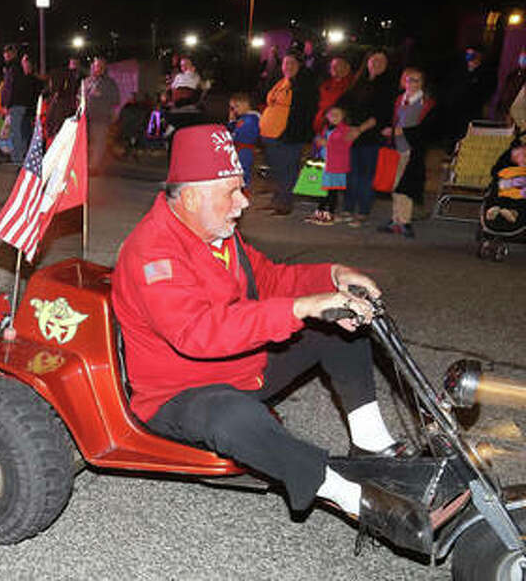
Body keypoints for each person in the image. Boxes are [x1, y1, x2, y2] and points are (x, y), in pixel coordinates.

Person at [111, 124, 428, 554]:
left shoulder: (216, 235)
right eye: (232, 191)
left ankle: (371, 443)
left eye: (242, 188)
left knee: (340, 323)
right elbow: (198, 333)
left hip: (241, 368)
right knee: (237, 420)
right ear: (190, 197)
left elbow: (272, 279)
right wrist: (298, 309)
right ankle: (357, 501)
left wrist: (332, 277)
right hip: (178, 393)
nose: (243, 203)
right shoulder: (152, 254)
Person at [338, 50, 398, 227]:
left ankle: (363, 211)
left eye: (382, 61)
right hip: (352, 135)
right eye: (374, 60)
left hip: (371, 136)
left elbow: (381, 115)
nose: (377, 64)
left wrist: (359, 129)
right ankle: (348, 208)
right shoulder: (358, 82)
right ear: (368, 62)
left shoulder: (386, 86)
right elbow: (343, 104)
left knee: (366, 176)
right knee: (351, 174)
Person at [379, 68, 437, 238]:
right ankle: (396, 219)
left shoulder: (426, 103)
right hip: (397, 148)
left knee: (405, 185)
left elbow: (426, 129)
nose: (412, 83)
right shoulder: (400, 99)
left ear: (422, 83)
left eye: (417, 80)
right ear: (403, 81)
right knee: (395, 185)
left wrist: (400, 131)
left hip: (412, 149)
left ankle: (404, 220)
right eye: (409, 79)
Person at [258, 54, 317, 216]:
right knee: (277, 170)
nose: (288, 66)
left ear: (300, 65)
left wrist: (295, 134)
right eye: (285, 63)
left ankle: (284, 202)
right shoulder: (281, 81)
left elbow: (305, 112)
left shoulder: (303, 86)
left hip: (288, 135)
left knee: (287, 170)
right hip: (270, 134)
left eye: (292, 63)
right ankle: (276, 199)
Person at [305, 106, 351, 226]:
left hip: (335, 166)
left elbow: (345, 146)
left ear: (343, 117)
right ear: (327, 116)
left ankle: (330, 213)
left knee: (332, 191)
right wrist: (317, 141)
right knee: (322, 190)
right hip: (324, 164)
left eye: (338, 114)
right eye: (332, 114)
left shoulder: (345, 130)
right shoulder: (325, 129)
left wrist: (327, 143)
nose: (335, 117)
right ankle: (320, 212)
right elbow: (320, 142)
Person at [81, 56, 121, 174]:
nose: (96, 68)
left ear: (104, 68)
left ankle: (94, 167)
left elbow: (116, 100)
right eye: (94, 65)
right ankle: (84, 164)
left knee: (98, 142)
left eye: (99, 66)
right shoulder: (87, 81)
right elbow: (80, 96)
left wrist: (101, 95)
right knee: (86, 142)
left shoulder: (109, 83)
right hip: (86, 116)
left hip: (101, 117)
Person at [0, 44, 30, 163]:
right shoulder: (12, 67)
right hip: (18, 103)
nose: (6, 55)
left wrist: (6, 104)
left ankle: (18, 158)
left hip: (16, 104)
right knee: (19, 130)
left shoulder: (14, 68)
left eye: (9, 52)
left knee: (16, 131)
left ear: (13, 54)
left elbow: (11, 88)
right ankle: (19, 156)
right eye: (5, 53)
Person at [312, 57, 355, 134]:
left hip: (339, 130)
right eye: (332, 66)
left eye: (338, 65)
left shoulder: (352, 84)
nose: (333, 68)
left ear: (347, 67)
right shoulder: (325, 83)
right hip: (320, 127)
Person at [226, 92, 260, 189]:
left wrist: (231, 136)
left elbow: (240, 134)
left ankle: (243, 190)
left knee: (243, 170)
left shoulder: (251, 119)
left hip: (245, 149)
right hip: (240, 148)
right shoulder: (243, 118)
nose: (235, 110)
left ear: (245, 104)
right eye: (232, 108)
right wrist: (232, 120)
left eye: (236, 107)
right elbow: (233, 128)